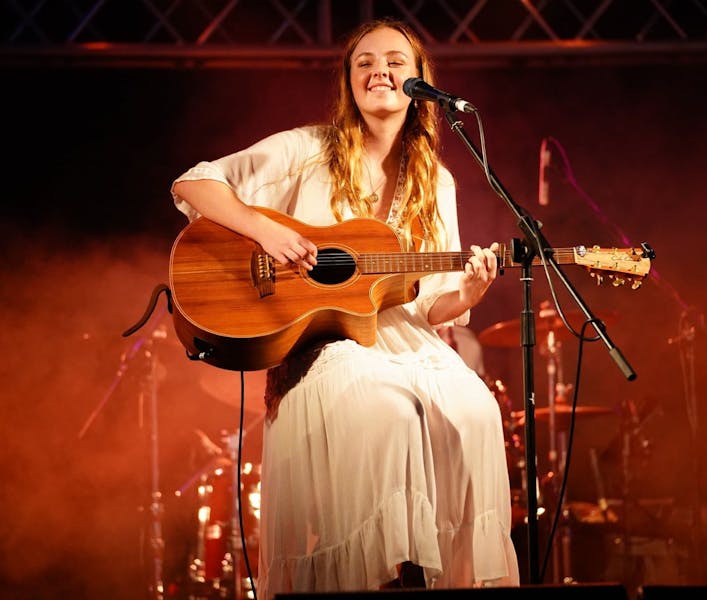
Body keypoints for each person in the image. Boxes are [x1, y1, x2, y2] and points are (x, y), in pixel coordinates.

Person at [171, 17, 520, 599]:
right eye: (364, 62)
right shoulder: (308, 148)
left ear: (419, 81)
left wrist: (469, 295)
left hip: (408, 341)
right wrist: (264, 231)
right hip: (325, 345)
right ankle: (379, 578)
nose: (378, 70)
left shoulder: (436, 180)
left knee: (477, 411)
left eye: (394, 61)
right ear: (348, 81)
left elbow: (432, 303)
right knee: (383, 408)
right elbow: (196, 184)